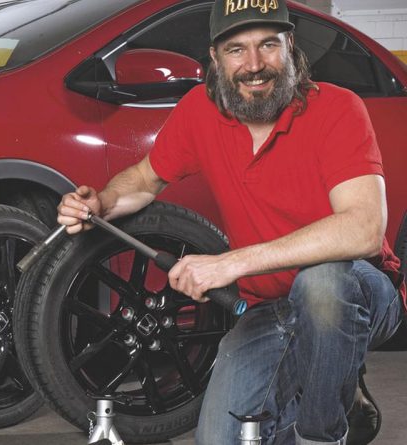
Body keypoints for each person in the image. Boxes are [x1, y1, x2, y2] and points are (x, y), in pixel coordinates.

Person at [56, 1, 406, 444]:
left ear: (290, 46)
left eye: (268, 45)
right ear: (215, 57)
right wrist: (102, 203)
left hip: (358, 291)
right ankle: (338, 387)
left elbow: (364, 228)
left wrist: (230, 263)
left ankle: (324, 430)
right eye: (236, 49)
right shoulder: (200, 111)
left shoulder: (338, 108)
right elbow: (145, 178)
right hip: (268, 308)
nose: (254, 65)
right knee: (220, 439)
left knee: (320, 287)